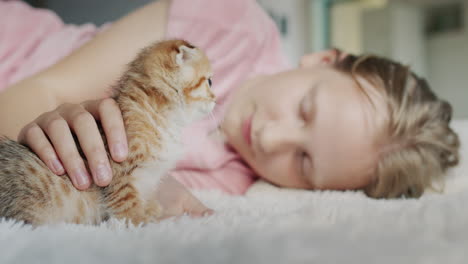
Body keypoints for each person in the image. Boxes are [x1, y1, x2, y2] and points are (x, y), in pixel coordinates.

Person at [0, 0, 460, 217]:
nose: (270, 138)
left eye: (303, 164)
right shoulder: (231, 23)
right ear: (322, 59)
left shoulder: (233, 183)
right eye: (304, 110)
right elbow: (44, 88)